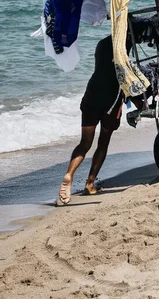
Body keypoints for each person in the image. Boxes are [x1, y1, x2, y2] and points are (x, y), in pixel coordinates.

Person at [58, 34, 132, 205]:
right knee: (103, 143)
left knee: (85, 144)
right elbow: (126, 75)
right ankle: (90, 184)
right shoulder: (123, 46)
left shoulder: (102, 43)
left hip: (91, 94)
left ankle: (69, 174)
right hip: (110, 101)